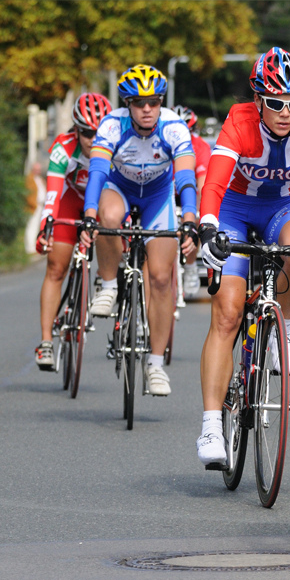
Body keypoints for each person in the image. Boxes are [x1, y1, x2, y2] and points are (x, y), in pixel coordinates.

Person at [194, 47, 290, 468]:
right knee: (227, 314)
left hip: (284, 207)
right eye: (276, 103)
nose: (286, 112)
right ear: (258, 99)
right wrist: (206, 226)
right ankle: (211, 423)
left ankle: (284, 328)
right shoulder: (239, 121)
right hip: (234, 211)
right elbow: (216, 183)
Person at [79, 65, 199, 397]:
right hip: (121, 188)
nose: (147, 109)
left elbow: (187, 176)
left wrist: (189, 217)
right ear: (127, 104)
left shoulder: (174, 126)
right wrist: (90, 214)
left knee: (161, 279)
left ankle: (156, 365)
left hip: (159, 196)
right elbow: (99, 171)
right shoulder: (112, 125)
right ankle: (108, 284)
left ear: (161, 102)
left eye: (154, 102)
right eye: (139, 102)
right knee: (109, 215)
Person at [33, 92, 113, 370]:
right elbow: (52, 195)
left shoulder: (118, 146)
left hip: (102, 202)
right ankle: (45, 342)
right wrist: (46, 226)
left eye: (99, 132)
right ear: (76, 130)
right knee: (56, 267)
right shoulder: (63, 147)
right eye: (87, 133)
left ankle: (107, 278)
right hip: (69, 200)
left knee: (113, 225)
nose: (94, 139)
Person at [171, 105, 212, 299]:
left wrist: (197, 212)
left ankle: (189, 266)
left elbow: (203, 186)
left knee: (194, 221)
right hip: (167, 191)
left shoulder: (201, 147)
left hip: (190, 190)